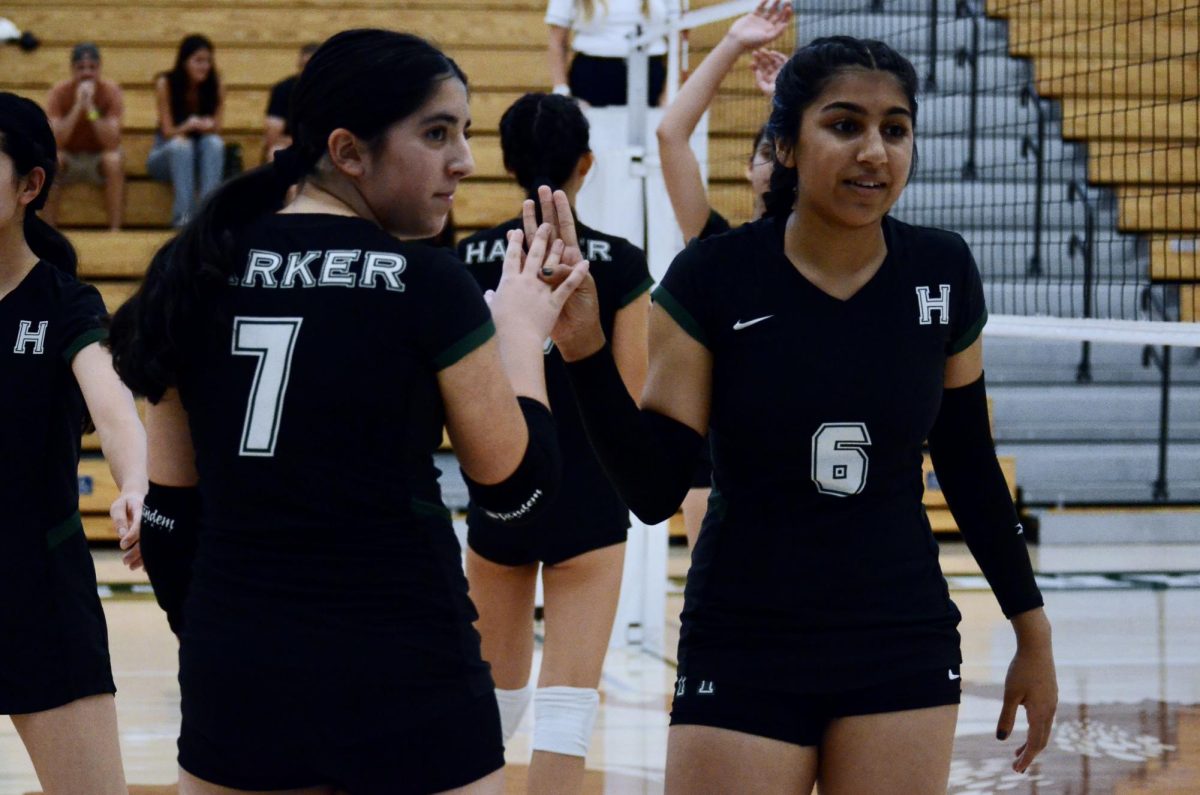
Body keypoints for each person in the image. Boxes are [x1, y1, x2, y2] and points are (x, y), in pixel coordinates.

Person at [545, 36, 1059, 793]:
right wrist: (586, 350)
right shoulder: (715, 275)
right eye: (845, 125)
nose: (875, 152)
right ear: (785, 143)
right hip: (745, 631)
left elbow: (969, 464)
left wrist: (1031, 628)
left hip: (900, 629)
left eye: (895, 128)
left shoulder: (942, 270)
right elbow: (654, 489)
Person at [108, 29, 588, 794]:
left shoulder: (193, 268)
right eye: (437, 133)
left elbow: (167, 526)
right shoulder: (425, 282)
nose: (463, 160)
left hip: (237, 674)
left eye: (463, 132)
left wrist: (222, 641)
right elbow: (519, 494)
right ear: (349, 150)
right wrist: (523, 336)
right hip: (409, 668)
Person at [457, 92, 651, 795]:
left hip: (504, 486)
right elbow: (626, 391)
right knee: (565, 719)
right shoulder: (622, 263)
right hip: (590, 495)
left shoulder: (467, 256)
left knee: (490, 710)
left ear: (504, 164)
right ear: (587, 164)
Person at [0, 92, 146, 795]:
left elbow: (114, 409)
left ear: (30, 186)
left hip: (37, 591)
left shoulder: (63, 303)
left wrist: (139, 485)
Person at [655, 0, 790, 548]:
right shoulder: (717, 248)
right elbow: (671, 137)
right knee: (713, 611)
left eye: (785, 152)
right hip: (716, 465)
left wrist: (790, 103)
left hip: (801, 459)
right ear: (749, 170)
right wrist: (733, 44)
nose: (775, 162)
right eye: (765, 153)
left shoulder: (844, 253)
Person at [43, 42, 125, 231]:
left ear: (99, 68)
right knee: (51, 159)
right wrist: (77, 106)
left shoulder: (111, 92)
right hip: (68, 155)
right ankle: (47, 231)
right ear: (72, 69)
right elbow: (55, 140)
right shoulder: (59, 92)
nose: (86, 73)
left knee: (114, 159)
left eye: (92, 68)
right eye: (81, 68)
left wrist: (90, 109)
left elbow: (112, 142)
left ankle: (115, 230)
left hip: (99, 156)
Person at [147, 34, 226, 228]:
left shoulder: (216, 84)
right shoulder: (165, 83)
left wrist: (207, 126)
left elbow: (217, 128)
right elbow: (167, 132)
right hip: (166, 154)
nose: (204, 66)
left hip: (200, 156)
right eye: (198, 61)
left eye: (208, 61)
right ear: (184, 62)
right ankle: (184, 219)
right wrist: (187, 126)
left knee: (214, 143)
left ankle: (209, 216)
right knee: (181, 146)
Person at [546, 0, 672, 107]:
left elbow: (676, 38)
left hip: (650, 76)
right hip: (592, 78)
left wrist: (669, 91)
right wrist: (562, 91)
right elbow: (557, 41)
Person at [262, 41, 320, 162]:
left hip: (324, 148)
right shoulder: (283, 89)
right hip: (291, 145)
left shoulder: (332, 90)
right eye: (304, 66)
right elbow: (272, 137)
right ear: (298, 65)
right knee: (276, 153)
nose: (308, 72)